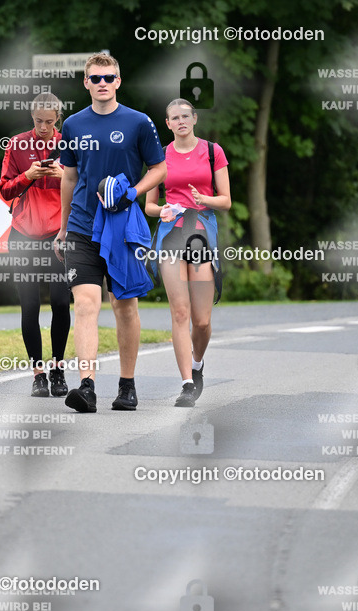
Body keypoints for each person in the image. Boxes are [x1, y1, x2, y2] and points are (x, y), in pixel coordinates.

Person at [54, 53, 166, 413]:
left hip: (122, 228)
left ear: (119, 81)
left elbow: (159, 167)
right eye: (96, 78)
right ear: (85, 83)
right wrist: (62, 227)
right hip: (83, 227)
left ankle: (127, 385)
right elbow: (69, 177)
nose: (102, 83)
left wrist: (134, 192)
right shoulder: (72, 124)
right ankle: (86, 387)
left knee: (124, 307)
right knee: (86, 304)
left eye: (109, 77)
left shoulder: (139, 122)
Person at [144, 98, 231, 407]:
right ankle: (186, 384)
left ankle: (197, 364)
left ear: (194, 119)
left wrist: (203, 199)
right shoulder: (160, 156)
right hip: (171, 235)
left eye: (185, 116)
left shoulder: (212, 152)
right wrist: (162, 210)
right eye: (173, 118)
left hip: (201, 234)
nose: (180, 121)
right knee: (180, 312)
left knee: (202, 321)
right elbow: (150, 205)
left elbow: (226, 201)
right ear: (167, 124)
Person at [0, 92, 71, 398]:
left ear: (58, 118)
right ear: (32, 116)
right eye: (39, 121)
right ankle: (38, 374)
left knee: (60, 303)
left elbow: (81, 186)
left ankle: (57, 369)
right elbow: (4, 189)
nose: (44, 127)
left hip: (59, 233)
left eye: (50, 122)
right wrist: (28, 175)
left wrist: (63, 174)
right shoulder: (17, 144)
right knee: (29, 306)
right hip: (24, 234)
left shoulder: (68, 142)